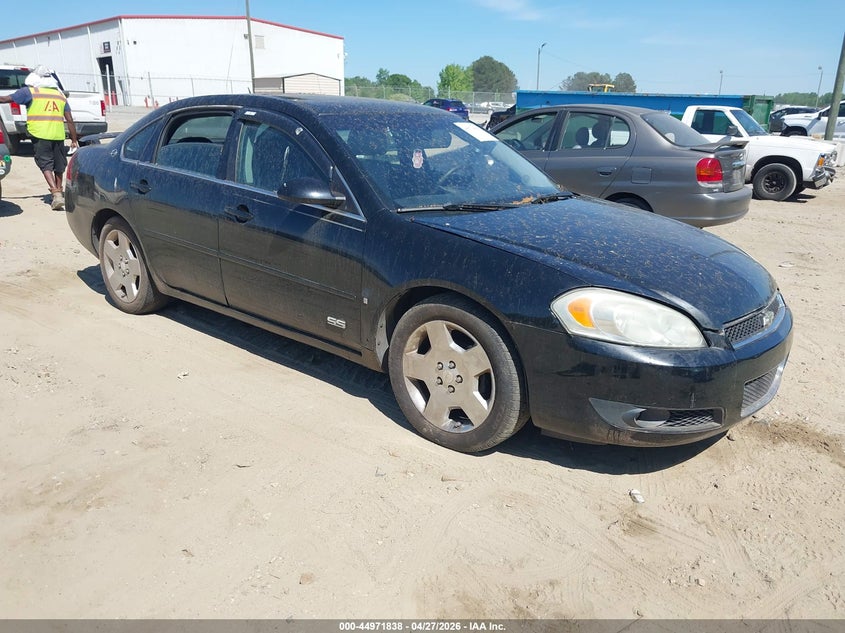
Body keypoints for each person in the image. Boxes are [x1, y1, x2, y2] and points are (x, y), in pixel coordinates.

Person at [0, 65, 79, 210]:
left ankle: (56, 193)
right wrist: (74, 140)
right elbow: (69, 119)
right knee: (59, 165)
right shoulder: (59, 95)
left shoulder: (30, 92)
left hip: (40, 133)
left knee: (45, 163)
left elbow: (5, 99)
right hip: (57, 134)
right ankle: (58, 191)